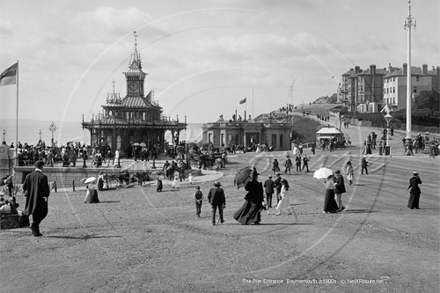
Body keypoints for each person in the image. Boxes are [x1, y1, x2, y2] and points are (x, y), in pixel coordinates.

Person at [22, 161, 50, 237]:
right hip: (40, 198)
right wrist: (46, 195)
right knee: (43, 213)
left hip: (31, 198)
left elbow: (24, 187)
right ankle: (34, 225)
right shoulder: (43, 176)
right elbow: (45, 189)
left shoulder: (28, 176)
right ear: (42, 167)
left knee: (35, 213)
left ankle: (36, 232)